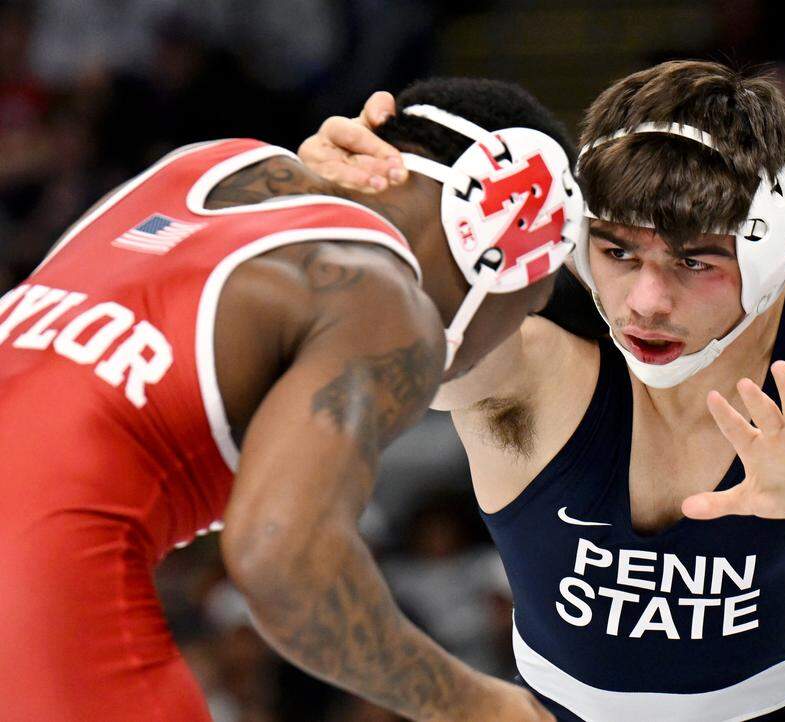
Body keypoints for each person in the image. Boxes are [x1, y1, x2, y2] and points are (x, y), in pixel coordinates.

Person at [303, 60, 785, 722]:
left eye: (694, 262)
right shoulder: (526, 343)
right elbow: (309, 344)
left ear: (770, 252)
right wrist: (315, 210)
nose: (645, 303)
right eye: (618, 252)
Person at [0, 77, 583, 722]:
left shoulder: (208, 164)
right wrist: (478, 705)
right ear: (495, 242)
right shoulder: (384, 303)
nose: (511, 336)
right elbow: (284, 565)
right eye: (529, 304)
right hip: (34, 589)